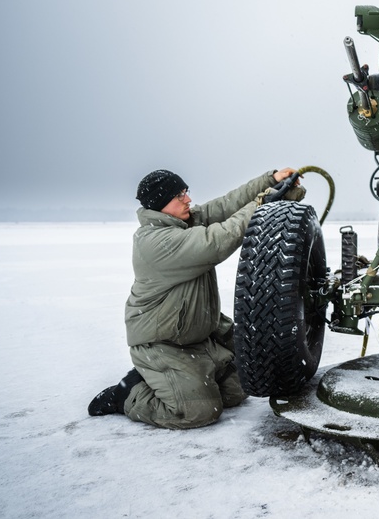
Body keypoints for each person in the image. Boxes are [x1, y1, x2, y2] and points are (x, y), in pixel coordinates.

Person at [88, 166, 301, 429]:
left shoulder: (184, 221)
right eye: (179, 196)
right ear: (160, 204)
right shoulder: (156, 242)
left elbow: (227, 205)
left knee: (237, 392)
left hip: (196, 336)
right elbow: (217, 241)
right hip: (163, 343)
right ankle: (128, 393)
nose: (187, 199)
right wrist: (263, 203)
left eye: (186, 192)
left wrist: (270, 180)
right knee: (197, 412)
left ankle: (174, 380)